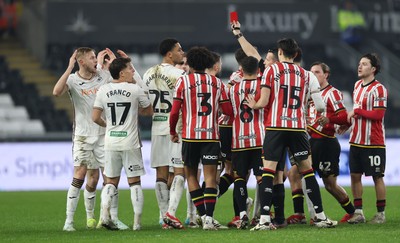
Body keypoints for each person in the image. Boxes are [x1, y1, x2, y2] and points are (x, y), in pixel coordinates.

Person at [246, 38, 337, 230]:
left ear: (280, 52)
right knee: (307, 171)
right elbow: (320, 105)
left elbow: (263, 101)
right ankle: (320, 216)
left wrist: (254, 104)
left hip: (276, 127)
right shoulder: (307, 75)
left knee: (269, 171)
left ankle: (264, 220)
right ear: (296, 54)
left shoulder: (271, 70)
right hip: (298, 128)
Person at [54, 47, 128, 231]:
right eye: (92, 57)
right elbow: (56, 92)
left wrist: (112, 64)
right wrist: (69, 67)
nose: (96, 60)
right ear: (82, 61)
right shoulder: (72, 80)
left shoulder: (103, 75)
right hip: (82, 137)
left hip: (103, 136)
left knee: (108, 177)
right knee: (79, 176)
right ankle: (69, 222)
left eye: (96, 57)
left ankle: (112, 218)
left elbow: (127, 81)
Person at [169, 46, 233, 230]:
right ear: (207, 63)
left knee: (190, 175)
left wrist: (173, 131)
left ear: (190, 63)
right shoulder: (218, 83)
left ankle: (203, 214)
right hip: (211, 136)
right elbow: (228, 111)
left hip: (189, 137)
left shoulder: (183, 82)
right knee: (211, 177)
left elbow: (174, 112)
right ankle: (208, 220)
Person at [92, 57, 153, 230]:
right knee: (134, 182)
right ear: (121, 73)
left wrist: (109, 125)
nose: (133, 71)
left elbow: (95, 117)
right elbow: (149, 111)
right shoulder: (135, 89)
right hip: (131, 142)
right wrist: (136, 110)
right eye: (130, 69)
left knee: (110, 181)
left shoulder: (103, 89)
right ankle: (137, 223)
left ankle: (104, 216)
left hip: (111, 142)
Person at [142, 38, 186, 229]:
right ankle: (171, 214)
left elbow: (145, 103)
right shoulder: (180, 74)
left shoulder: (148, 73)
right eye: (179, 49)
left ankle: (163, 218)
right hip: (176, 128)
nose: (182, 52)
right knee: (179, 171)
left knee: (160, 174)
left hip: (157, 126)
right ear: (170, 54)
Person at [307, 62, 356, 223]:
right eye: (311, 72)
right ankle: (305, 215)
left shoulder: (332, 93)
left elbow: (343, 116)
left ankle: (353, 212)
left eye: (317, 72)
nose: (313, 75)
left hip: (326, 143)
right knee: (296, 173)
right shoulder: (310, 93)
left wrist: (329, 119)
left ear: (326, 74)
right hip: (311, 141)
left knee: (330, 185)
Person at [345, 53, 387, 224]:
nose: (359, 66)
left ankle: (380, 214)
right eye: (359, 63)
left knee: (377, 176)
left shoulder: (379, 89)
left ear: (373, 69)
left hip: (373, 141)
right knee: (355, 176)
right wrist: (346, 125)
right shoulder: (357, 86)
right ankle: (358, 212)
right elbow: (355, 112)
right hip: (356, 140)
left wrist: (357, 112)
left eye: (364, 64)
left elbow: (378, 114)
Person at [229, 56, 265, 229]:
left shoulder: (232, 89)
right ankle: (264, 215)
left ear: (241, 70)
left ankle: (242, 215)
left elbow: (227, 111)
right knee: (262, 178)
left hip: (239, 140)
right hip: (260, 139)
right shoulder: (263, 87)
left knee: (239, 178)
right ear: (258, 70)